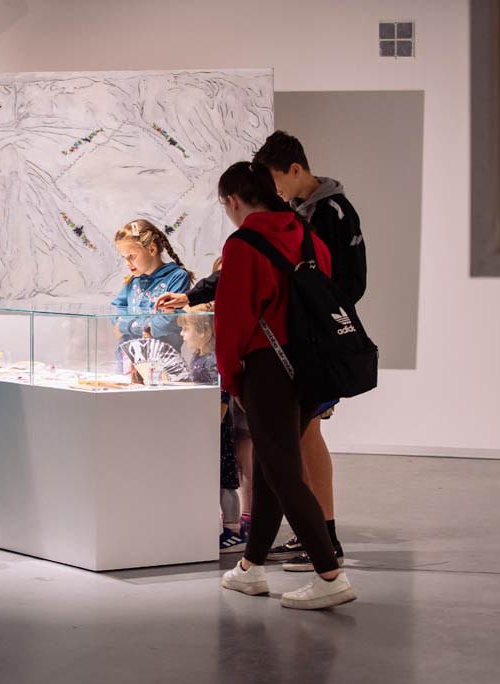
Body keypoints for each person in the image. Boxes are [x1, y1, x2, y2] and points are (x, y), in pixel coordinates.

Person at [213, 161, 356, 610]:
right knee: (274, 467)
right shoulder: (309, 235)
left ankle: (329, 574)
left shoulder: (242, 244)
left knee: (282, 472)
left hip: (269, 368)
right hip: (313, 366)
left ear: (233, 200)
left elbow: (232, 321)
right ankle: (250, 568)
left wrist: (231, 380)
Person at [252, 130, 367, 569]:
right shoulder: (297, 213)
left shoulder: (334, 213)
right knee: (301, 435)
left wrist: (320, 323)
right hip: (300, 342)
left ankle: (325, 539)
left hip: (319, 344)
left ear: (295, 169)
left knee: (306, 436)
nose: (274, 191)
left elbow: (350, 283)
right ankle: (313, 533)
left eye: (276, 180)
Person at [179, 302, 244, 553]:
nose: (182, 334)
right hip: (204, 428)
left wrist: (211, 426)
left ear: (205, 332)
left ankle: (233, 531)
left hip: (216, 433)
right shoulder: (198, 358)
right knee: (215, 480)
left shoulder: (213, 363)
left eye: (186, 329)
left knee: (225, 482)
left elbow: (221, 400)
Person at [111, 219, 194, 354]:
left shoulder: (177, 277)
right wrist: (146, 327)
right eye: (124, 257)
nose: (127, 263)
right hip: (128, 357)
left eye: (131, 256)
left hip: (162, 358)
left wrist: (128, 326)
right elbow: (115, 312)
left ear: (152, 249)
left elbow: (168, 322)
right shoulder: (132, 281)